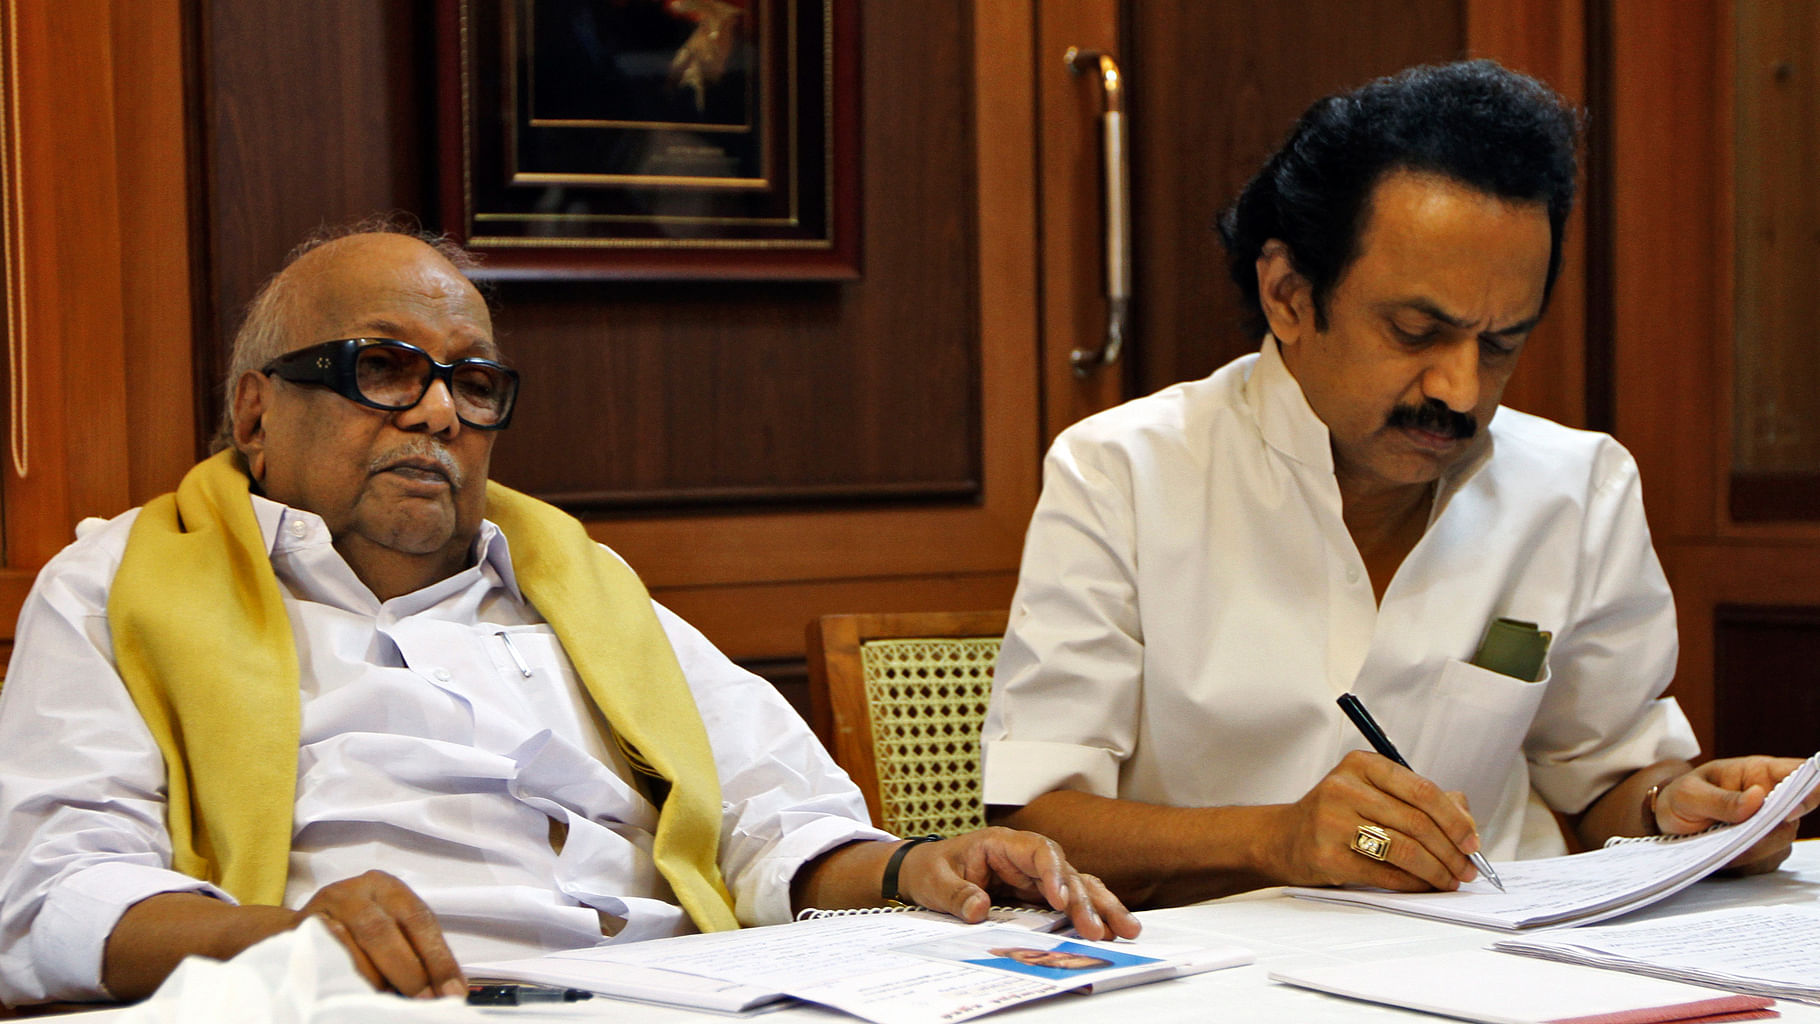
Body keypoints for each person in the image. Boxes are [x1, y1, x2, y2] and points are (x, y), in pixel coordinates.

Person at [0, 223, 1137, 1009]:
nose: (440, 411)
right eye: (384, 369)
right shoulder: (120, 589)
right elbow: (52, 892)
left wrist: (916, 865)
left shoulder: (578, 591)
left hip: (673, 999)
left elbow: (770, 822)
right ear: (256, 415)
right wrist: (283, 941)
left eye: (473, 381)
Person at [979, 60, 1819, 908]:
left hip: (1501, 971)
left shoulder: (1578, 488)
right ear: (1288, 295)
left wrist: (1684, 808)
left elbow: (1608, 779)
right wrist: (1277, 839)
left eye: (1500, 345)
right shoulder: (1123, 472)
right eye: (1418, 331)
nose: (1459, 390)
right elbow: (1035, 823)